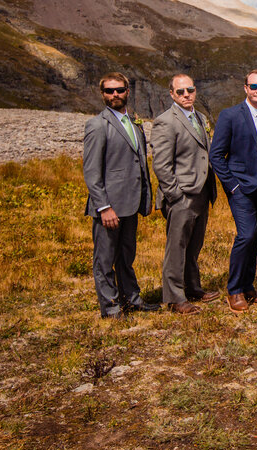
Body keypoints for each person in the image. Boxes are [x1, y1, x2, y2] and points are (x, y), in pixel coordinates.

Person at [82, 72, 159, 319]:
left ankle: (132, 299)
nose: (114, 95)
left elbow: (140, 164)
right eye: (109, 91)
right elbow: (92, 172)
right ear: (102, 94)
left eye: (119, 90)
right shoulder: (97, 125)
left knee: (126, 255)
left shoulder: (135, 123)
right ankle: (111, 307)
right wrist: (104, 207)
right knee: (104, 260)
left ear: (128, 91)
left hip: (131, 203)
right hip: (110, 206)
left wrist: (145, 198)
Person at [210, 70, 257, 313]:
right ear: (245, 88)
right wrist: (232, 186)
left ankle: (249, 287)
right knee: (246, 235)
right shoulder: (230, 115)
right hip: (241, 188)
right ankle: (235, 290)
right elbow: (216, 155)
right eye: (254, 86)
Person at [151, 74, 218, 315]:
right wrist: (175, 195)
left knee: (194, 244)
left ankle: (192, 287)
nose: (186, 94)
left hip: (201, 191)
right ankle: (174, 297)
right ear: (171, 94)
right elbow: (161, 164)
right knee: (177, 247)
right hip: (183, 195)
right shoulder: (165, 121)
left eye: (190, 89)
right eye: (180, 92)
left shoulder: (199, 117)